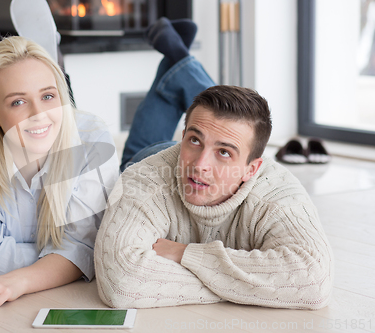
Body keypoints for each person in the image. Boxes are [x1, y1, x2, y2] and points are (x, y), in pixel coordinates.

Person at [95, 18, 333, 310]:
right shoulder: (145, 179)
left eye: (224, 153)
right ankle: (178, 58)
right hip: (151, 158)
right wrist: (253, 285)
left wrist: (186, 254)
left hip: (177, 157)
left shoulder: (277, 193)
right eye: (193, 140)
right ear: (183, 137)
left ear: (252, 169)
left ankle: (177, 58)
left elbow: (313, 282)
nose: (200, 165)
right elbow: (121, 283)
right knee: (186, 133)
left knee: (219, 121)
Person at [0, 36, 119, 309]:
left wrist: (20, 280)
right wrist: (63, 256)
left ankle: (178, 63)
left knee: (151, 152)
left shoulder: (93, 138)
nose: (39, 114)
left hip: (125, 180)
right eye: (18, 102)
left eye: (48, 96)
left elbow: (85, 248)